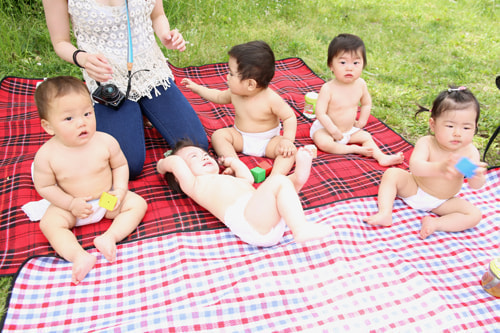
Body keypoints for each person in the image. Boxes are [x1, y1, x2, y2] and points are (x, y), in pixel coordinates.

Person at [42, 0, 208, 179]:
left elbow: (158, 15)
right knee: (128, 165)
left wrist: (165, 35)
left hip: (150, 72)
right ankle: (137, 114)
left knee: (197, 145)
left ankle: (143, 112)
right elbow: (60, 42)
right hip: (108, 81)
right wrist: (82, 58)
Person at [33, 76, 148, 285]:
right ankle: (78, 255)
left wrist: (120, 190)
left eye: (87, 113)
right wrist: (69, 203)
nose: (82, 122)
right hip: (73, 206)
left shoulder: (104, 141)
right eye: (69, 119)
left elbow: (120, 165)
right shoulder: (47, 155)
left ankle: (110, 237)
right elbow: (45, 186)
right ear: (48, 126)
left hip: (105, 200)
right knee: (50, 224)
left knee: (137, 204)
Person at [364, 87, 487, 239]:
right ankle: (384, 212)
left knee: (474, 215)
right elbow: (415, 167)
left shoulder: (469, 152)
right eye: (450, 126)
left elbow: (475, 185)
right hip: (415, 188)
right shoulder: (427, 143)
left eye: (466, 127)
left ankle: (436, 224)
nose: (457, 133)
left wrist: (477, 176)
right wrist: (439, 167)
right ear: (433, 124)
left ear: (475, 128)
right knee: (392, 174)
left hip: (442, 202)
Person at [156, 139, 332, 247]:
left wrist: (232, 161)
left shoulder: (230, 179)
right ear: (180, 176)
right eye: (193, 157)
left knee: (282, 185)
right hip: (247, 221)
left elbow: (248, 178)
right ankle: (300, 228)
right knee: (276, 181)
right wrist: (162, 164)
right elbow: (173, 163)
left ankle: (299, 177)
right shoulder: (194, 184)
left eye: (205, 155)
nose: (204, 157)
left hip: (262, 215)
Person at [181, 40, 297, 176]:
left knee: (290, 152)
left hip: (269, 141)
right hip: (241, 137)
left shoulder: (271, 99)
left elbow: (289, 117)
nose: (227, 76)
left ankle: (276, 176)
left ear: (250, 84)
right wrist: (197, 88)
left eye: (231, 73)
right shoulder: (235, 94)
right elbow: (217, 96)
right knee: (218, 136)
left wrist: (287, 141)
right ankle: (235, 164)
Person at [310, 33, 404, 166]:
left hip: (349, 129)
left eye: (356, 63)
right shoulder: (328, 88)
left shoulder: (360, 84)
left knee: (366, 137)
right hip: (328, 129)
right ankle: (352, 149)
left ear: (363, 64)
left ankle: (381, 157)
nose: (349, 67)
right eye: (343, 62)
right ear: (331, 65)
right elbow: (320, 113)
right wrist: (333, 130)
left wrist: (361, 122)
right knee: (322, 142)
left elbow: (366, 103)